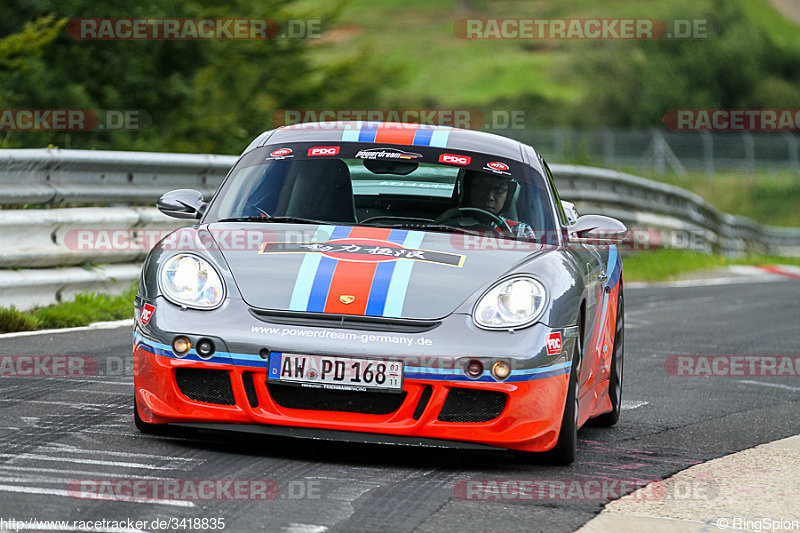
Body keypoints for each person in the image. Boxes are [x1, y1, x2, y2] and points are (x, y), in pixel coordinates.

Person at [458, 169, 536, 239]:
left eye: (499, 189)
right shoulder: (449, 223)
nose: (489, 197)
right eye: (482, 187)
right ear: (468, 190)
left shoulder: (520, 231)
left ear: (508, 196)